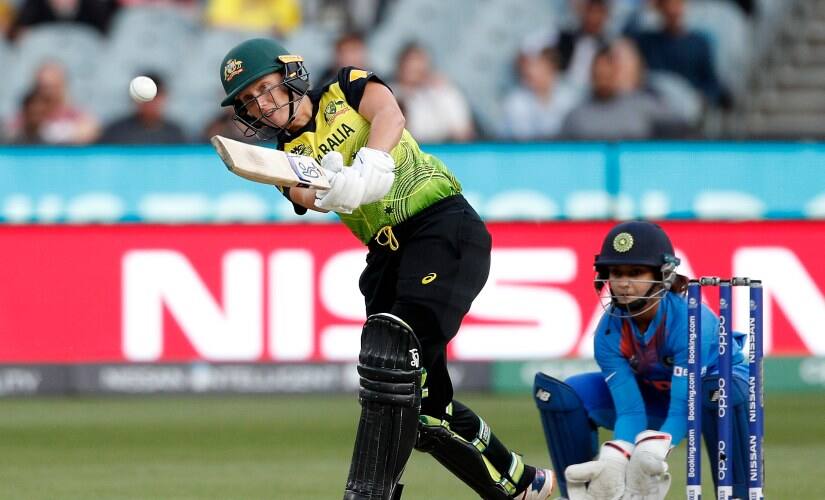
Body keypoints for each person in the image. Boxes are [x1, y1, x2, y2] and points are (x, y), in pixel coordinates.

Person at [218, 37, 554, 500]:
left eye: (265, 88)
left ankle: (368, 493)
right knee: (422, 411)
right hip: (386, 258)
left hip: (439, 225)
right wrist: (334, 189)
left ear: (291, 74)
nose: (261, 104)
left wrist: (371, 162)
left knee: (393, 358)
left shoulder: (345, 86)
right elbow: (306, 195)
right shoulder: (284, 158)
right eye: (248, 100)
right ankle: (523, 483)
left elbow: (389, 115)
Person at [533, 221, 752, 499]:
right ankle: (577, 496)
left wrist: (652, 450)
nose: (624, 284)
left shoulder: (691, 322)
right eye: (616, 273)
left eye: (636, 272)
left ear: (663, 275)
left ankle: (739, 495)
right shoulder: (608, 333)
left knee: (718, 390)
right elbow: (630, 411)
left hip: (714, 397)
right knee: (568, 393)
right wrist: (617, 457)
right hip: (658, 394)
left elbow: (682, 408)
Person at [391, 42, 476, 143]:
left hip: (445, 147)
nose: (415, 71)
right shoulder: (389, 93)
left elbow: (464, 131)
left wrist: (440, 93)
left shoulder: (445, 92)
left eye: (419, 67)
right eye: (410, 66)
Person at [98, 73, 186, 144]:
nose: (151, 102)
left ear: (164, 97)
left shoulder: (175, 134)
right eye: (144, 95)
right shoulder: (116, 132)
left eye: (156, 96)